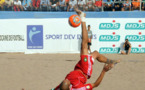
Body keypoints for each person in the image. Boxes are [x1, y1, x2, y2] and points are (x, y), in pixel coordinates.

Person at [52, 9, 120, 90]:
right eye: (66, 81)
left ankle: (111, 61)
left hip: (78, 68)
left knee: (95, 54)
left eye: (64, 80)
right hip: (84, 70)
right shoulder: (79, 88)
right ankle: (82, 18)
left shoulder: (60, 88)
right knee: (84, 46)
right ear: (70, 87)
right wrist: (104, 71)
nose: (66, 79)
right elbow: (95, 84)